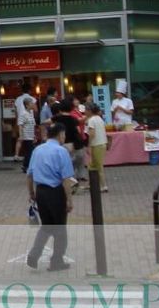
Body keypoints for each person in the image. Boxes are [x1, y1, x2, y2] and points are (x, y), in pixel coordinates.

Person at [26, 122, 76, 271]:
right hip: (56, 192)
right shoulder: (61, 151)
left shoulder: (38, 150)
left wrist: (31, 193)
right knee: (60, 228)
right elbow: (66, 179)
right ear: (60, 135)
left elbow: (29, 175)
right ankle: (56, 261)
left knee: (46, 227)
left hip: (40, 191)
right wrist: (69, 199)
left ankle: (33, 255)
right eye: (64, 134)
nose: (64, 137)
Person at [85, 103, 110, 192]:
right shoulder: (99, 119)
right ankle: (90, 183)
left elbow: (92, 134)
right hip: (102, 143)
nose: (85, 112)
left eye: (86, 110)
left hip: (97, 144)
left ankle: (104, 186)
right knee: (92, 165)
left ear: (90, 111)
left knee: (98, 166)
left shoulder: (91, 120)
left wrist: (89, 145)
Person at [17, 97, 37, 173]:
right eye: (31, 103)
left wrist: (34, 135)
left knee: (29, 152)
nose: (33, 105)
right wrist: (21, 136)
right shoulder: (23, 114)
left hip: (31, 136)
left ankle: (25, 165)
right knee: (29, 152)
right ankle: (26, 166)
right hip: (26, 136)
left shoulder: (30, 114)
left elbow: (33, 125)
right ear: (27, 105)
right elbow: (20, 125)